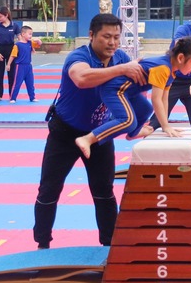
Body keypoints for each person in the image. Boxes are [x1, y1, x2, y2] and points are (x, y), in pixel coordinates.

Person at [33, 13, 147, 250]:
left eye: (116, 37)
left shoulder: (121, 58)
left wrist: (137, 124)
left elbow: (137, 91)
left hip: (99, 135)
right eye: (106, 36)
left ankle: (110, 245)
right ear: (91, 35)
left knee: (104, 191)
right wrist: (121, 69)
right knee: (49, 189)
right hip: (65, 133)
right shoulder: (79, 57)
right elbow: (82, 78)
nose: (112, 43)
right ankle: (42, 244)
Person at [75, 37, 191, 159]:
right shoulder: (163, 68)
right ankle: (88, 139)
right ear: (180, 58)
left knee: (146, 109)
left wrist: (166, 125)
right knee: (127, 120)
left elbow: (165, 99)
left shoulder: (172, 72)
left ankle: (133, 133)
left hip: (129, 92)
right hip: (114, 90)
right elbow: (156, 99)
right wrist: (165, 126)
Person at [148, 2, 191, 130]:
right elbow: (179, 46)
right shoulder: (184, 29)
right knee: (158, 120)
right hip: (173, 81)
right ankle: (147, 139)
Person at [0, 6, 20, 101]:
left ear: (6, 15)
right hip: (0, 49)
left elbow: (20, 39)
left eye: (0, 16)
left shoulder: (14, 26)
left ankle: (12, 95)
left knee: (12, 74)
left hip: (11, 49)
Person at [7, 25, 36, 103]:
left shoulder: (30, 43)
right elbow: (12, 55)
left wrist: (38, 41)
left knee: (30, 82)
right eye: (29, 34)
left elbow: (38, 44)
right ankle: (13, 98)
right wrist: (8, 64)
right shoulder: (17, 45)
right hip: (20, 66)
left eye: (31, 34)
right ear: (23, 34)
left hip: (28, 66)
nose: (31, 36)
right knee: (17, 83)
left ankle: (32, 97)